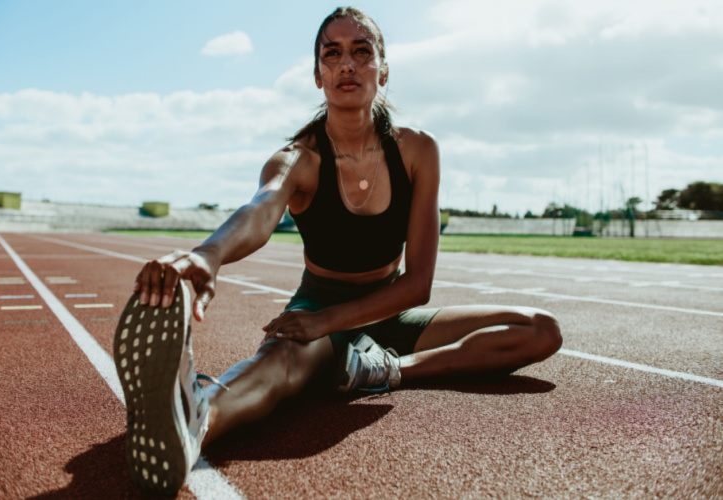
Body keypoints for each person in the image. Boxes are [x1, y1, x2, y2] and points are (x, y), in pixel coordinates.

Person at [113, 7, 562, 495]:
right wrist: (209, 255)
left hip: (388, 314)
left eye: (361, 51)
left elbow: (418, 286)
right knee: (279, 365)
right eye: (333, 53)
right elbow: (260, 210)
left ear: (382, 69)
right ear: (318, 75)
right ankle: (198, 417)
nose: (347, 64)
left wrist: (345, 333)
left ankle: (387, 371)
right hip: (317, 309)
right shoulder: (298, 159)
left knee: (539, 330)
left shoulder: (418, 152)